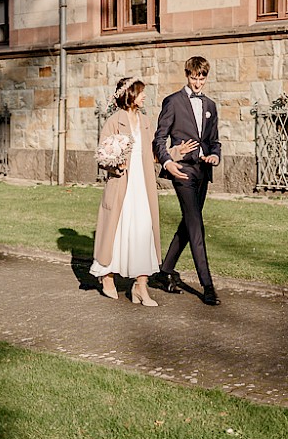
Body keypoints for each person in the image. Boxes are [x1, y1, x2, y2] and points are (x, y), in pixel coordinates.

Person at [91, 77, 196, 306]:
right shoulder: (113, 122)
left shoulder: (147, 122)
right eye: (141, 93)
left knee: (144, 232)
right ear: (130, 95)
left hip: (143, 186)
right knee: (117, 232)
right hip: (121, 185)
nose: (145, 96)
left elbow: (156, 154)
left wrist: (176, 152)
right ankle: (107, 276)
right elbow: (103, 155)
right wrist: (115, 165)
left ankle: (141, 286)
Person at [152, 56, 222, 306]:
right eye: (194, 77)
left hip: (203, 171)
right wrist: (168, 162)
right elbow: (159, 140)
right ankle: (208, 285)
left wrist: (214, 155)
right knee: (196, 226)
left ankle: (165, 270)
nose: (198, 82)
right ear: (187, 75)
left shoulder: (211, 105)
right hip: (181, 171)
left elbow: (214, 141)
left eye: (202, 77)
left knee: (188, 223)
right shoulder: (172, 102)